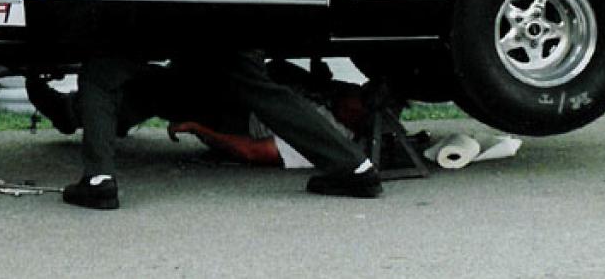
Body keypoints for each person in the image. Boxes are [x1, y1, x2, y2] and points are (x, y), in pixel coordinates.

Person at [37, 51, 382, 210]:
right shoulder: (329, 96)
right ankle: (355, 168)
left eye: (362, 100)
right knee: (244, 82)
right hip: (226, 6)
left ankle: (98, 176)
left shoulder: (339, 125)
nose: (356, 94)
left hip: (230, 117)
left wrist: (201, 129)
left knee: (103, 68)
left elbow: (256, 150)